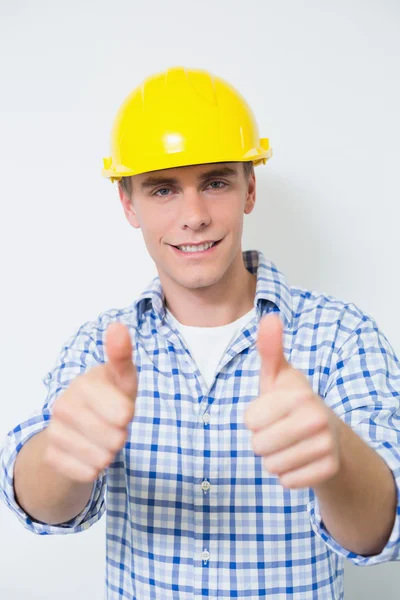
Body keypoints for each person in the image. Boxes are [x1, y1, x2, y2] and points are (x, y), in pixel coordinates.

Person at [1, 66, 400, 599]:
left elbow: (382, 534)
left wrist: (334, 452)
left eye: (215, 182)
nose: (194, 216)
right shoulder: (101, 347)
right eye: (163, 189)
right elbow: (42, 508)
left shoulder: (341, 337)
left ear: (249, 188)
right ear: (128, 205)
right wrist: (61, 455)